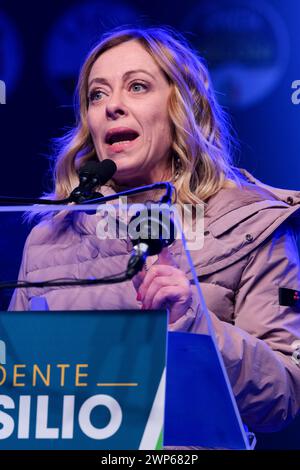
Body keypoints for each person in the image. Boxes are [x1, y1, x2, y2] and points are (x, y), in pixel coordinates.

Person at [9, 27, 300, 436]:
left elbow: (283, 396)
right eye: (97, 94)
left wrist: (194, 321)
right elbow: (19, 395)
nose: (112, 106)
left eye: (137, 87)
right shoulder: (48, 237)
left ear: (183, 106)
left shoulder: (254, 225)